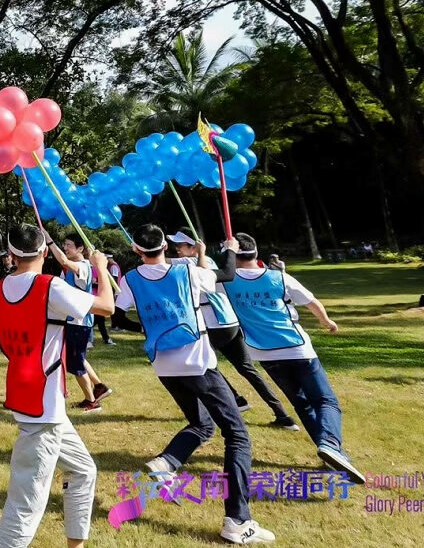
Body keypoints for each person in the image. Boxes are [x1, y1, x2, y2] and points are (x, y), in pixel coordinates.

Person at [114, 224, 274, 545]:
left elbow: (117, 318)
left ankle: (166, 462)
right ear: (165, 246)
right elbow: (226, 275)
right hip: (197, 362)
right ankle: (237, 520)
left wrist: (144, 330)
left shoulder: (129, 278)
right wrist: (228, 249)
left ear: (136, 249)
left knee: (202, 424)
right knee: (237, 435)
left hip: (164, 364)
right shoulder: (186, 271)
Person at [0, 224, 114, 548]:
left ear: (11, 254)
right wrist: (100, 267)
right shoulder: (49, 285)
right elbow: (107, 307)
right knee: (23, 512)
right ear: (44, 252)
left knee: (83, 471)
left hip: (35, 399)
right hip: (43, 408)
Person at [222, 233, 366, 484]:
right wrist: (327, 322)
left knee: (302, 404)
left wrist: (227, 254)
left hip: (264, 353)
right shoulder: (278, 277)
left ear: (234, 254)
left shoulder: (226, 282)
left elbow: (208, 274)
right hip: (296, 348)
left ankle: (330, 452)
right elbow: (311, 301)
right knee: (326, 401)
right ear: (256, 253)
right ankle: (330, 444)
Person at [167, 229, 299, 432]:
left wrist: (145, 251)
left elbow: (161, 262)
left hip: (213, 324)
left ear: (193, 247)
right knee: (248, 369)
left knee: (204, 366)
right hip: (229, 322)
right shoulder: (206, 260)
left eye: (180, 245)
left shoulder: (190, 262)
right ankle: (282, 415)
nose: (176, 249)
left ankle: (235, 401)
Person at [47, 237, 112, 414]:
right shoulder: (69, 269)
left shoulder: (83, 267)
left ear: (80, 248)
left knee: (75, 364)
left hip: (79, 322)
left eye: (69, 245)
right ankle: (99, 387)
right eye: (64, 245)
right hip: (71, 320)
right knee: (79, 358)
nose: (65, 248)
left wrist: (49, 241)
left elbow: (63, 261)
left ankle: (92, 402)